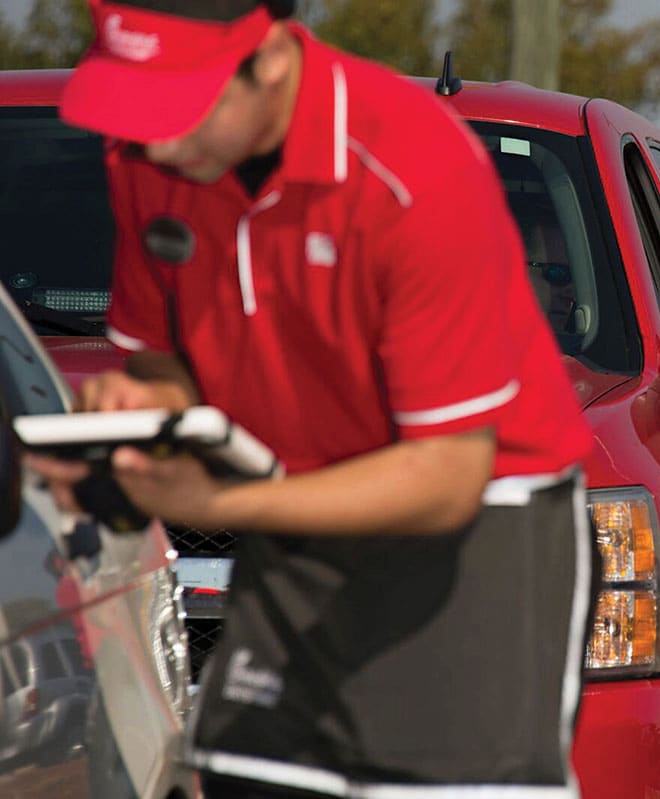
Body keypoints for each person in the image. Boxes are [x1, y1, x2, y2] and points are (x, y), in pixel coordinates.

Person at [31, 1, 596, 796]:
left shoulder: (415, 169)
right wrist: (140, 409)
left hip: (476, 528)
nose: (153, 139)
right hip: (300, 505)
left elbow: (446, 475)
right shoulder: (147, 161)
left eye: (175, 107)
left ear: (268, 58)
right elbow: (164, 361)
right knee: (249, 776)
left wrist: (222, 498)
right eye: (132, 105)